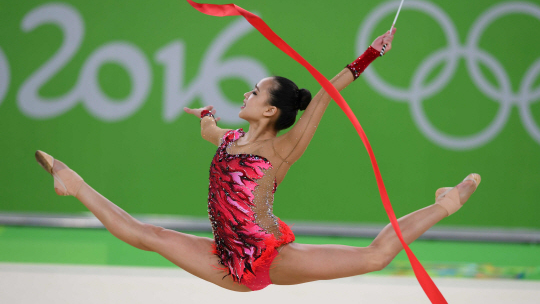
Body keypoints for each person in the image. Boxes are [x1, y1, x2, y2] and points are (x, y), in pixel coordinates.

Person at [35, 28, 480, 292]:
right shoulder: (230, 140)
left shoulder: (281, 150)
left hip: (268, 257)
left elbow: (324, 94)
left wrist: (369, 55)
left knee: (374, 257)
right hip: (224, 258)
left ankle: (446, 203)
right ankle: (71, 181)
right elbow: (212, 131)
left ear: (270, 110)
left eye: (254, 91)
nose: (246, 93)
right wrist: (206, 116)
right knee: (146, 234)